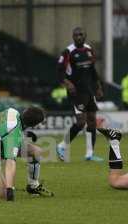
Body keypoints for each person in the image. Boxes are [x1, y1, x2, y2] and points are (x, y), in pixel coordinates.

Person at [56, 27, 103, 162]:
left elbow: (93, 70)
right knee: (81, 122)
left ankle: (89, 154)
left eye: (81, 35)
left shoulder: (89, 50)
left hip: (89, 90)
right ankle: (61, 146)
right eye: (76, 35)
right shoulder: (68, 52)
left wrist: (98, 86)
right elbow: (59, 72)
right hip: (77, 92)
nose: (78, 37)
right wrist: (67, 83)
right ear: (72, 36)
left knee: (92, 121)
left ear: (85, 36)